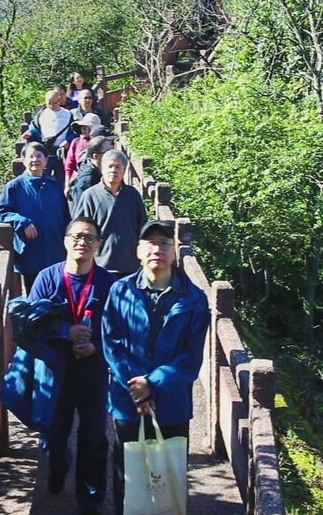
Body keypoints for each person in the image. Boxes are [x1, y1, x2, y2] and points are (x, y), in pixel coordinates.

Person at [101, 219, 210, 515]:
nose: (157, 249)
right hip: (128, 400)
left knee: (168, 472)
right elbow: (111, 343)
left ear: (175, 252)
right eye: (150, 243)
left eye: (164, 243)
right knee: (128, 470)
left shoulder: (194, 299)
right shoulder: (120, 291)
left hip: (172, 401)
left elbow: (190, 357)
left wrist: (154, 384)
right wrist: (136, 385)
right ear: (138, 251)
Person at [25, 217, 116, 515]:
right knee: (53, 435)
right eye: (76, 236)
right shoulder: (46, 278)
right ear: (65, 240)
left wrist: (97, 348)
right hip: (54, 371)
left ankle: (90, 499)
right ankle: (58, 466)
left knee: (94, 437)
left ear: (98, 245)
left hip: (93, 371)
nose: (82, 242)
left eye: (90, 238)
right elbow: (29, 326)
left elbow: (120, 332)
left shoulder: (108, 284)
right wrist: (65, 332)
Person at [0, 142, 69, 292]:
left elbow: (66, 218)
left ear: (46, 161)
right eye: (31, 156)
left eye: (40, 156)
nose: (35, 160)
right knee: (36, 300)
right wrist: (22, 221)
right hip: (32, 255)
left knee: (59, 301)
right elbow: (0, 211)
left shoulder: (54, 186)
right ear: (23, 160)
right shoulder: (15, 187)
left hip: (56, 254)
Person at [74, 150, 147, 278]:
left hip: (130, 264)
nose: (114, 170)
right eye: (110, 166)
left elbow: (143, 227)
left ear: (124, 170)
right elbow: (80, 231)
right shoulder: (90, 195)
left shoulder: (132, 195)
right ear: (102, 168)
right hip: (101, 265)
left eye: (118, 167)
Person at [23, 90, 80, 188]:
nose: (52, 105)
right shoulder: (42, 114)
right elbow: (34, 129)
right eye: (49, 103)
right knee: (43, 179)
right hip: (45, 152)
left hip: (61, 154)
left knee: (62, 181)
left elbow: (74, 132)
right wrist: (29, 134)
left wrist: (68, 140)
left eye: (54, 102)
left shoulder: (68, 114)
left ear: (59, 101)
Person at [69, 133, 114, 213]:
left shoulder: (97, 169)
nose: (111, 155)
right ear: (95, 156)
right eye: (108, 152)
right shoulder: (87, 180)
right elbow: (82, 212)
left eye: (112, 150)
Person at [64, 113, 102, 195]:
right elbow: (69, 164)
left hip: (97, 181)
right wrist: (67, 185)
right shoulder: (76, 142)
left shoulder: (102, 143)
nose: (84, 129)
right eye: (82, 127)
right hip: (78, 182)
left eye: (86, 127)